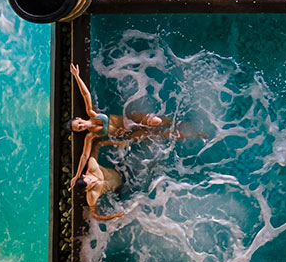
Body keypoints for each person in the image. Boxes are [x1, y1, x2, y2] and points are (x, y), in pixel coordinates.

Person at [67, 62, 198, 184]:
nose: (81, 126)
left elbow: (85, 94)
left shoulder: (92, 113)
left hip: (130, 120)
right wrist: (77, 176)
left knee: (157, 121)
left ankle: (181, 122)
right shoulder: (91, 136)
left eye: (79, 124)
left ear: (79, 119)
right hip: (129, 135)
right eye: (79, 129)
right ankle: (194, 135)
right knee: (161, 134)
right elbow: (84, 156)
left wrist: (77, 76)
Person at [78, 155, 125, 222]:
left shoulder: (92, 166)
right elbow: (95, 216)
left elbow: (95, 149)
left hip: (121, 170)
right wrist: (115, 216)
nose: (93, 181)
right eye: (90, 184)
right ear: (87, 189)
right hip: (119, 187)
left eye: (90, 179)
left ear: (84, 175)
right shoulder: (92, 195)